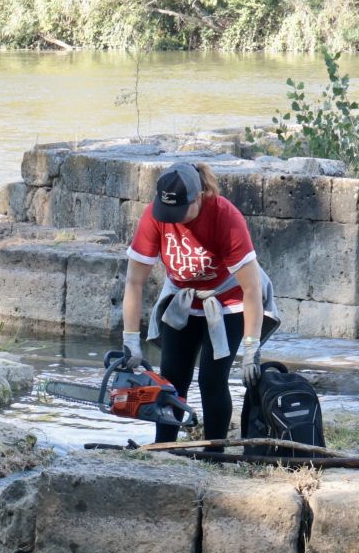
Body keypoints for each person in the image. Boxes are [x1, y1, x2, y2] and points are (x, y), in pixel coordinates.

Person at [120, 162, 280, 444]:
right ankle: (164, 447)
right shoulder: (156, 216)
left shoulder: (224, 216)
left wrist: (251, 346)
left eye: (181, 212)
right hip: (182, 299)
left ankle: (214, 452)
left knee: (211, 379)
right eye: (168, 212)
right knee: (170, 377)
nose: (174, 220)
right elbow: (134, 281)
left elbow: (251, 287)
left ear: (200, 195)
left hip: (228, 302)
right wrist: (131, 338)